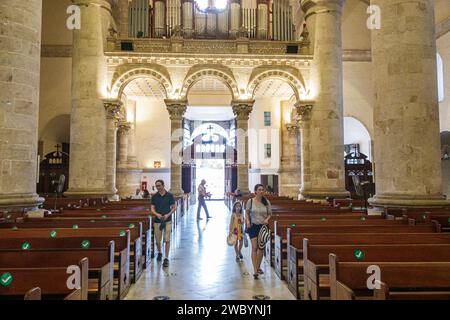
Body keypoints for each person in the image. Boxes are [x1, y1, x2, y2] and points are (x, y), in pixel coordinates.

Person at [245, 184, 272, 279]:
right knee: (254, 247)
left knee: (261, 248)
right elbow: (247, 213)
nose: (261, 191)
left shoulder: (266, 202)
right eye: (259, 189)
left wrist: (267, 219)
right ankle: (255, 270)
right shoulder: (250, 201)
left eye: (262, 189)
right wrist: (247, 221)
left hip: (263, 227)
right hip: (253, 226)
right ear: (255, 191)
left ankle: (258, 266)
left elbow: (269, 214)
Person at [150, 180, 177, 268]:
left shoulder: (169, 195)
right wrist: (156, 214)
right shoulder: (154, 196)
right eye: (156, 186)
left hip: (167, 220)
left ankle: (166, 258)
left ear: (163, 185)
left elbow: (174, 207)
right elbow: (152, 208)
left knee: (167, 239)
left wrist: (168, 214)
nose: (158, 187)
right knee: (158, 240)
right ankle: (160, 253)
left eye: (159, 185)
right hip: (158, 221)